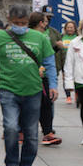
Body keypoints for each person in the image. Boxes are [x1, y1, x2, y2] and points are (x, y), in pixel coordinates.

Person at [0, 5, 57, 166]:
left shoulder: (39, 37)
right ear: (9, 21)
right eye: (16, 23)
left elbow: (50, 62)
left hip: (33, 90)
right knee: (11, 128)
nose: (20, 26)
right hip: (8, 89)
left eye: (23, 23)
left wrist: (53, 85)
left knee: (31, 133)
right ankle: (11, 165)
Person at [30, 13, 63, 147]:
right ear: (40, 23)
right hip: (26, 76)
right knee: (25, 103)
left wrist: (53, 83)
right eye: (45, 21)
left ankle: (48, 133)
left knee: (46, 103)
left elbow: (48, 59)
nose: (46, 24)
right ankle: (17, 129)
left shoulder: (46, 36)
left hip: (42, 76)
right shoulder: (29, 35)